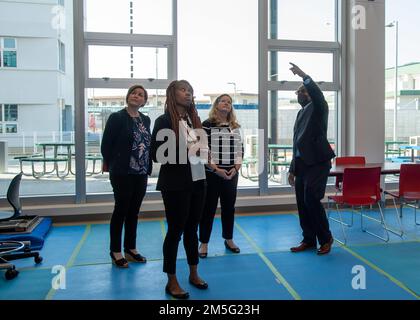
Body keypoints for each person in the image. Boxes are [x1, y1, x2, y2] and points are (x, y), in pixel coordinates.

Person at [151, 80, 208, 299]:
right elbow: (156, 155)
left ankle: (194, 273)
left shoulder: (194, 120)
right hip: (175, 184)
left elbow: (201, 152)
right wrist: (184, 149)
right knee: (176, 231)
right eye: (183, 90)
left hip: (198, 181)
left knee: (192, 229)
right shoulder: (164, 120)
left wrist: (203, 151)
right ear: (172, 94)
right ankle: (171, 280)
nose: (188, 93)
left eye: (190, 91)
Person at [101, 85, 152, 268]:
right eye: (133, 93)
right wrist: (114, 164)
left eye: (140, 95)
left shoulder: (145, 120)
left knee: (134, 212)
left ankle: (131, 248)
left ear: (144, 101)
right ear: (127, 96)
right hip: (122, 173)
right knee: (121, 211)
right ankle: (115, 251)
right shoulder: (117, 118)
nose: (136, 96)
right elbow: (106, 145)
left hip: (141, 173)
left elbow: (147, 144)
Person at [287, 63, 336, 255]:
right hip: (302, 165)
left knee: (312, 200)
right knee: (302, 202)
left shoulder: (319, 107)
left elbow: (317, 94)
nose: (300, 94)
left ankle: (325, 238)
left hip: (318, 162)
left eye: (303, 91)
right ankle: (308, 239)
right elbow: (296, 144)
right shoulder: (301, 113)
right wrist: (292, 169)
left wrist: (304, 76)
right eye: (298, 92)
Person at [198, 94, 243, 258]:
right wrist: (217, 169)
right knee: (208, 209)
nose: (226, 103)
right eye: (223, 101)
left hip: (231, 174)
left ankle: (229, 239)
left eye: (229, 102)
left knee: (229, 208)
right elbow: (203, 149)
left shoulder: (234, 126)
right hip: (212, 174)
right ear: (216, 105)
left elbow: (240, 148)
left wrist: (236, 168)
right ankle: (203, 243)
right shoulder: (207, 125)